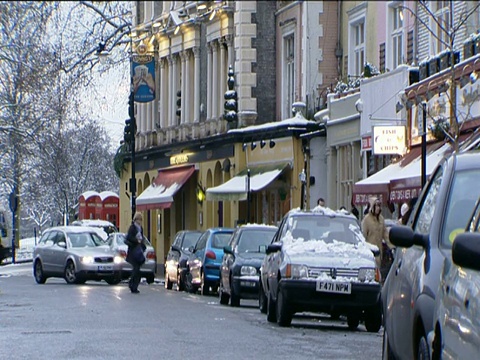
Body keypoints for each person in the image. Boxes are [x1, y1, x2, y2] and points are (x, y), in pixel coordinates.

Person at [361, 198, 389, 269]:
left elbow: (385, 235)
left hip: (379, 253)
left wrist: (393, 246)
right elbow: (363, 237)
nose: (378, 208)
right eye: (376, 206)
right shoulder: (366, 220)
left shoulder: (381, 219)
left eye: (379, 206)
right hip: (370, 253)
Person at [125, 212, 146, 294]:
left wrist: (143, 245)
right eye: (138, 219)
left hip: (139, 251)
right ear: (135, 219)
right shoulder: (132, 228)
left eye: (141, 220)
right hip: (133, 251)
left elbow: (142, 238)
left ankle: (134, 285)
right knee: (136, 269)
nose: (139, 221)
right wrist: (136, 240)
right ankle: (132, 285)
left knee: (138, 270)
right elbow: (129, 237)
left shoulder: (141, 228)